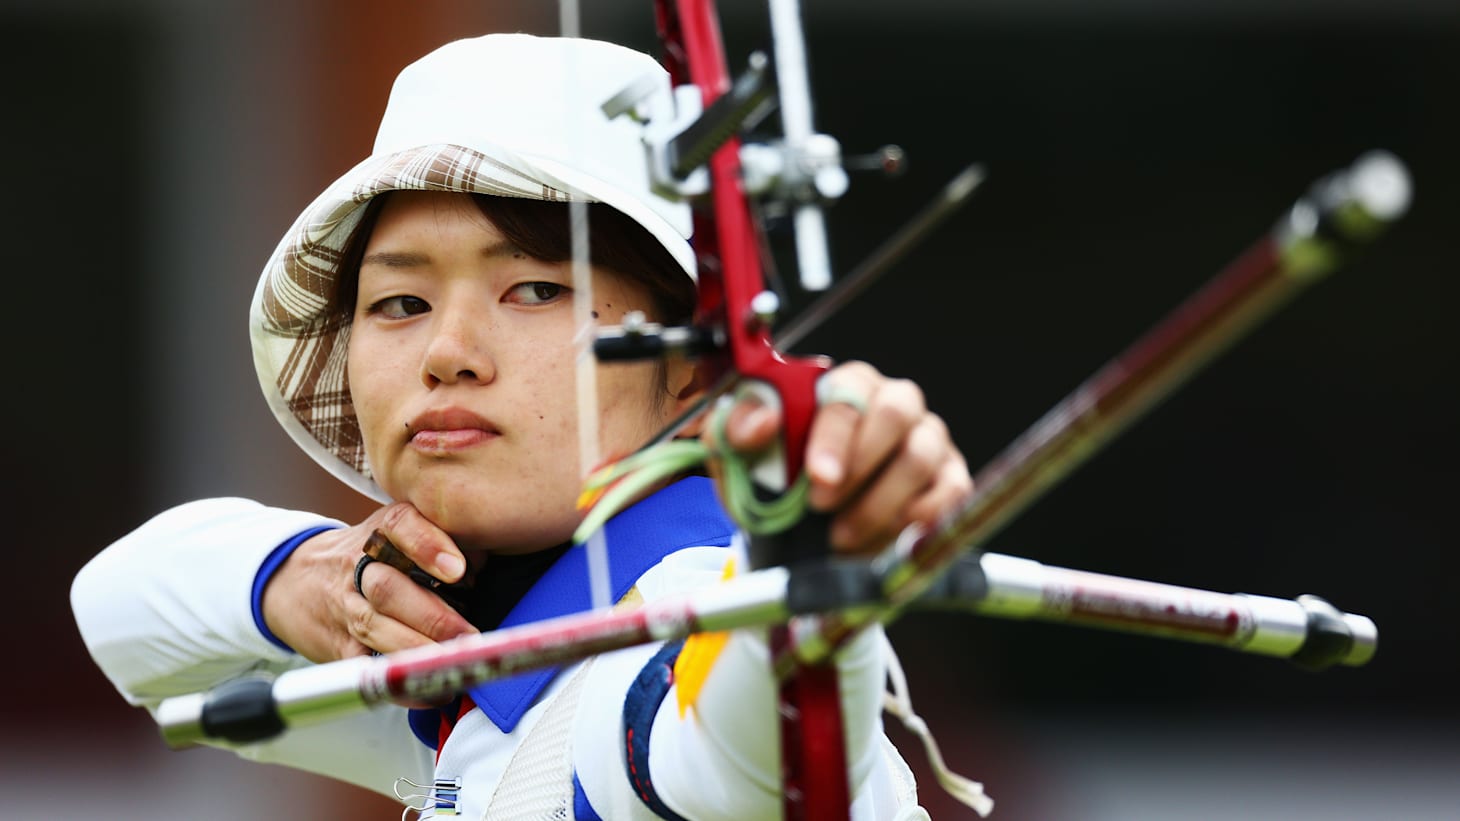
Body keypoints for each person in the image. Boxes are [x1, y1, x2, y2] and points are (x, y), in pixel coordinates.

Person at [72, 33, 974, 820]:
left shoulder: (665, 639)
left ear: (691, 360)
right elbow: (123, 619)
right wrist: (304, 582)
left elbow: (745, 747)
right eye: (400, 302)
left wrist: (808, 549)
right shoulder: (460, 663)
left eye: (536, 289)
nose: (448, 352)